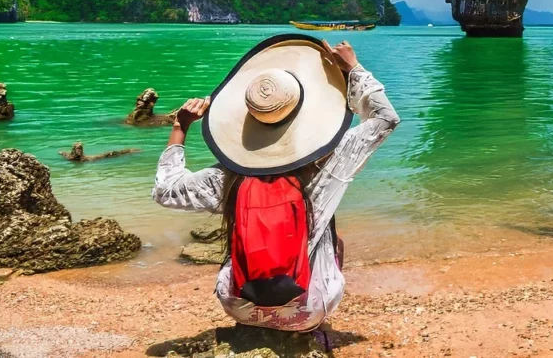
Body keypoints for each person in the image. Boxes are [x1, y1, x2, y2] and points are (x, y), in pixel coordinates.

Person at [152, 35, 400, 333]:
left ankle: (256, 316)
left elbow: (165, 190)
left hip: (237, 305)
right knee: (334, 239)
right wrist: (354, 69)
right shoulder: (325, 166)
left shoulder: (229, 177)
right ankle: (305, 318)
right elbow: (385, 119)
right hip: (306, 311)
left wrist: (181, 126)